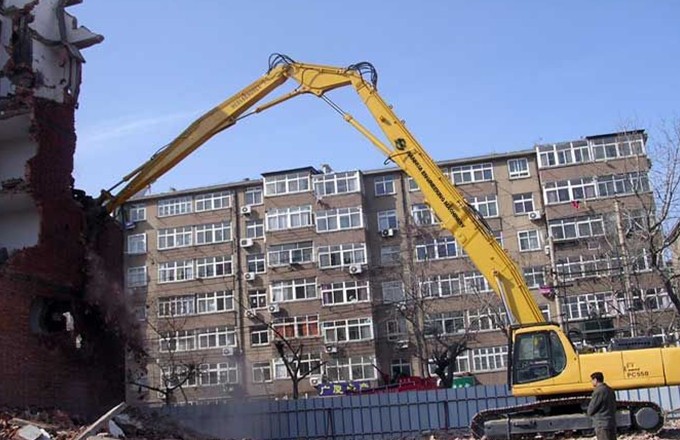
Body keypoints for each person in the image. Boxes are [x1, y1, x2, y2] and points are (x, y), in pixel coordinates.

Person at [587, 371, 618, 440]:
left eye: (592, 380)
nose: (592, 382)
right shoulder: (610, 390)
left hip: (602, 425)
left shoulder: (598, 391)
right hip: (611, 422)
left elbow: (591, 410)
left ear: (595, 380)